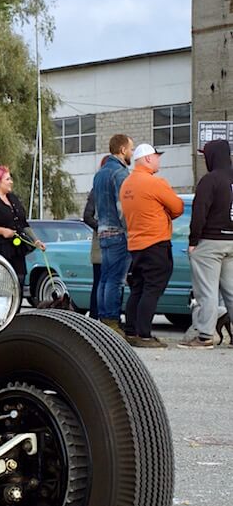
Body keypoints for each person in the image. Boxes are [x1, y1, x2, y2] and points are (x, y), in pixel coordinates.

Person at [119, 143, 184, 348]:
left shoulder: (127, 184)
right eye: (157, 157)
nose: (159, 160)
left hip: (135, 245)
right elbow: (178, 207)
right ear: (147, 158)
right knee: (152, 289)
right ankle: (144, 335)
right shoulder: (155, 183)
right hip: (156, 243)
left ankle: (130, 330)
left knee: (137, 288)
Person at [180, 139, 233, 349]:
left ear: (213, 156)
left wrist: (193, 240)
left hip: (211, 241)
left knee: (207, 291)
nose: (204, 159)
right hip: (232, 241)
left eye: (205, 155)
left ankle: (205, 336)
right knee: (232, 290)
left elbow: (199, 212)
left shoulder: (210, 180)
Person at [0, 165, 45, 283]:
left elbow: (23, 223)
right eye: (7, 179)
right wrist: (2, 231)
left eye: (10, 179)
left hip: (16, 248)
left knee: (19, 280)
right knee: (0, 283)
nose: (11, 182)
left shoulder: (13, 199)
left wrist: (35, 240)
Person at [92, 135, 134, 335]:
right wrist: (131, 230)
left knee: (105, 278)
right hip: (118, 233)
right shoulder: (120, 172)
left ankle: (103, 319)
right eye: (131, 149)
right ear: (123, 149)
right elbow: (123, 207)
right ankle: (112, 323)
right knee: (116, 280)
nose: (132, 153)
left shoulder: (100, 174)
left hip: (103, 232)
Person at [81, 156, 110, 320]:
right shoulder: (96, 190)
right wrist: (102, 228)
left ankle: (109, 317)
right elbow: (87, 216)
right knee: (99, 282)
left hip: (117, 245)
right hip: (101, 245)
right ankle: (94, 317)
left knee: (112, 284)